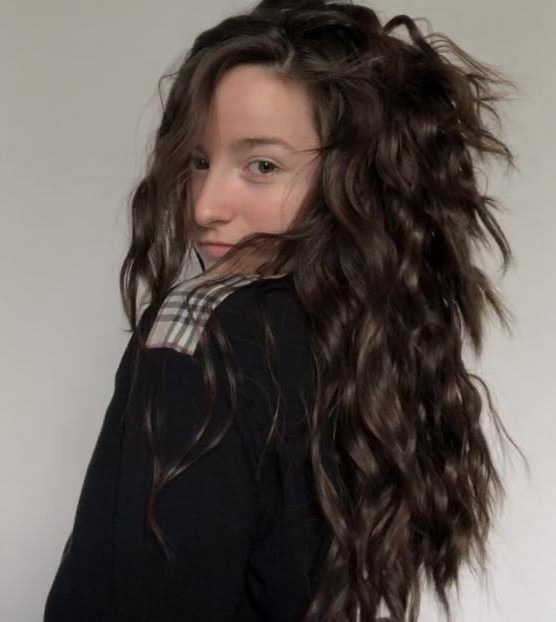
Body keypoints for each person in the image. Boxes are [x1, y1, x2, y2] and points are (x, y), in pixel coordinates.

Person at [44, 0, 520, 620]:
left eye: (262, 166)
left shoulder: (202, 329)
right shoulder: (378, 346)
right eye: (199, 161)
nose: (205, 206)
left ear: (352, 180)